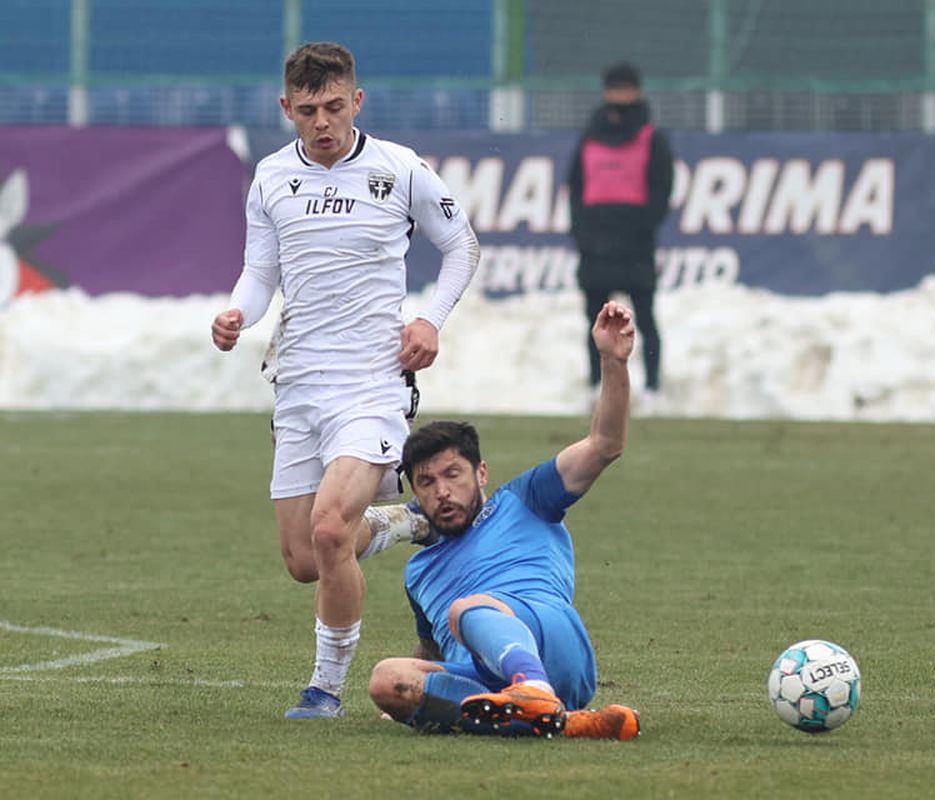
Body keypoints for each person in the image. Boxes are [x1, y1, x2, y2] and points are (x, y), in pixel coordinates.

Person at [210, 42, 479, 719]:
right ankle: (400, 520)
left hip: (371, 383)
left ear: (357, 101)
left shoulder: (399, 168)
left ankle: (324, 688)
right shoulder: (272, 177)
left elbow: (462, 246)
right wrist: (239, 311)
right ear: (287, 109)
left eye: (334, 106)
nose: (323, 121)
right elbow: (261, 271)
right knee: (305, 558)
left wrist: (430, 320)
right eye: (308, 111)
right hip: (298, 381)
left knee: (331, 531)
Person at [367, 301, 641, 740]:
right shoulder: (417, 572)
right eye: (426, 482)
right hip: (484, 679)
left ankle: (532, 685)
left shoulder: (526, 499)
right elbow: (432, 649)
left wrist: (612, 360)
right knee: (385, 678)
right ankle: (564, 722)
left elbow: (604, 444)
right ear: (415, 493)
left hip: (553, 643)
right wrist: (411, 695)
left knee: (468, 608)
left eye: (453, 475)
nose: (442, 491)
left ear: (481, 473)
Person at [567, 62, 675, 400]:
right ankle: (594, 385)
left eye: (625, 88)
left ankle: (654, 387)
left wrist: (644, 227)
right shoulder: (590, 137)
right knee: (595, 321)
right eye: (614, 88)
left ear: (638, 91)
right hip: (596, 246)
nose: (620, 96)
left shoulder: (651, 137)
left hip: (635, 246)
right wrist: (582, 233)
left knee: (645, 317)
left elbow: (662, 187)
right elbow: (575, 186)